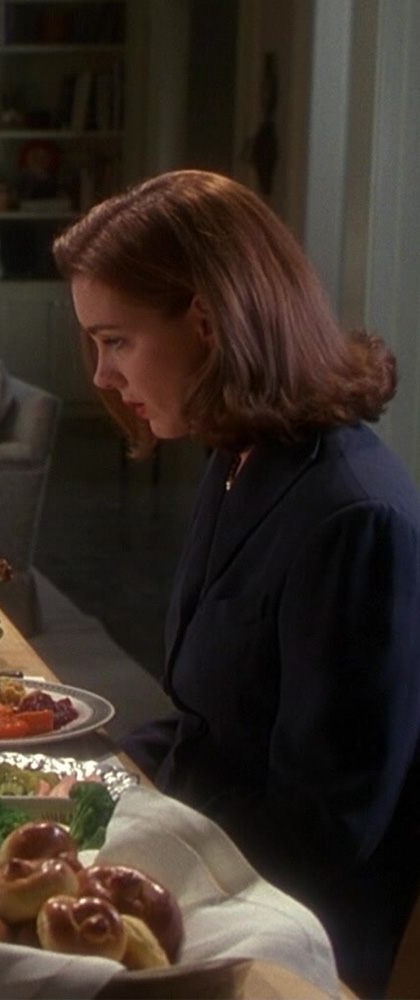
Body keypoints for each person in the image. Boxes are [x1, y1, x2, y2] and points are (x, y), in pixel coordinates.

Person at [53, 169, 420, 998]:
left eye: (116, 341)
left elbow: (324, 835)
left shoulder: (352, 517)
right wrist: (79, 776)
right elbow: (211, 731)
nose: (103, 378)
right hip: (210, 871)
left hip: (284, 936)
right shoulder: (241, 459)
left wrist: (118, 839)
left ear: (209, 325)